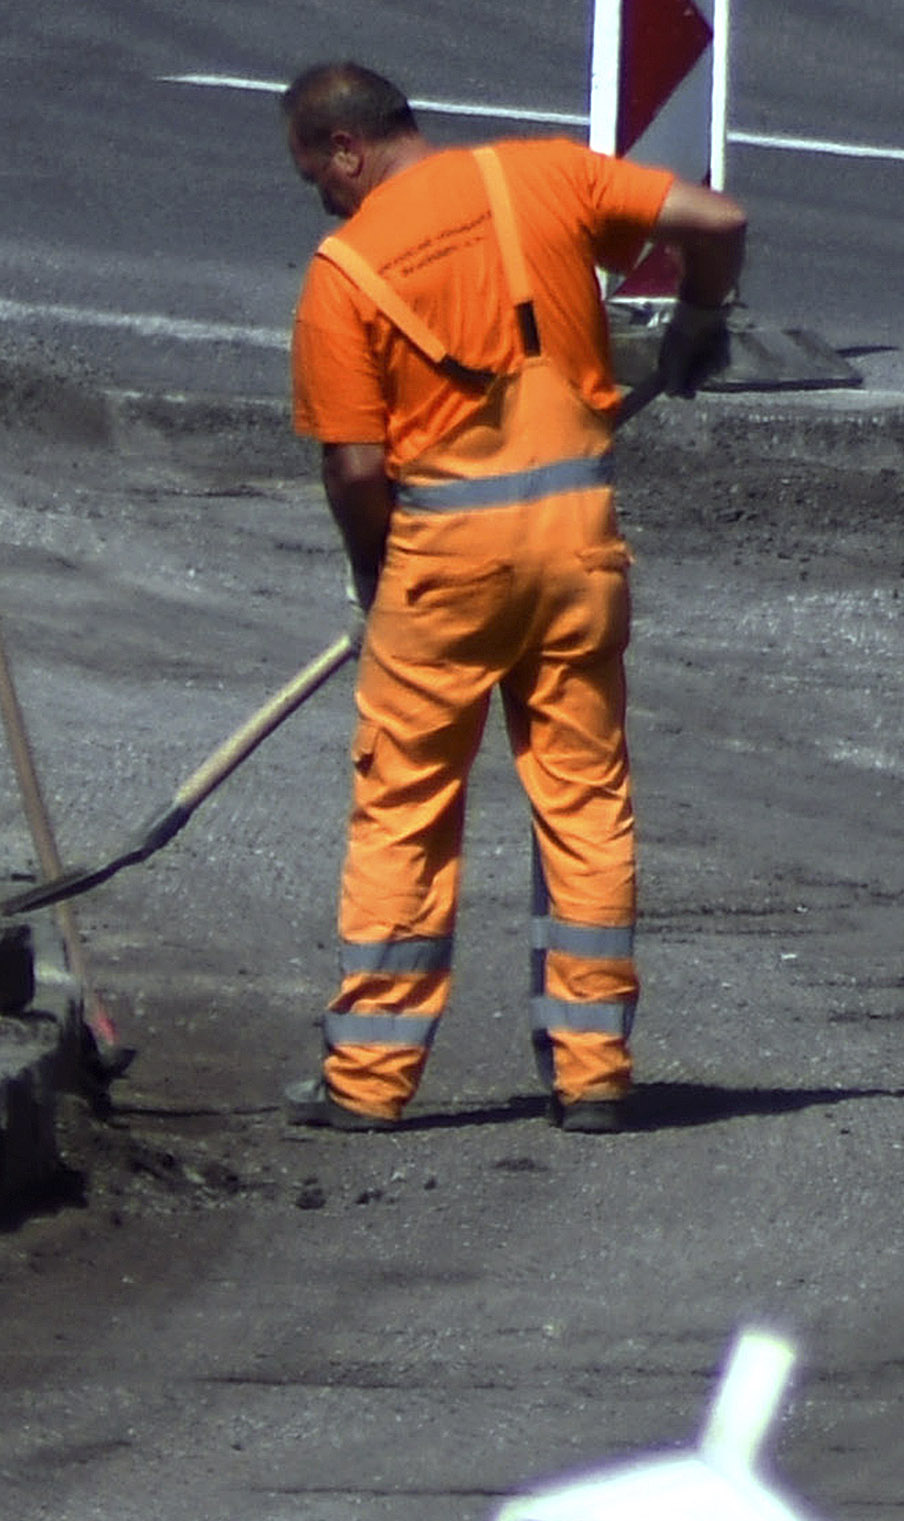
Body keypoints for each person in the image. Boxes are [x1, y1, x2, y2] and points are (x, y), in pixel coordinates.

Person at [279, 62, 744, 1134]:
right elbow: (718, 216)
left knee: (406, 809)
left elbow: (354, 469)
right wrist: (695, 319)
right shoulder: (543, 175)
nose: (322, 198)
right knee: (581, 802)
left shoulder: (346, 269)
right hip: (577, 548)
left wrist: (371, 569)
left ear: (346, 148)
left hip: (441, 564)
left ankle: (368, 1080)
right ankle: (592, 1075)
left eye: (317, 174)